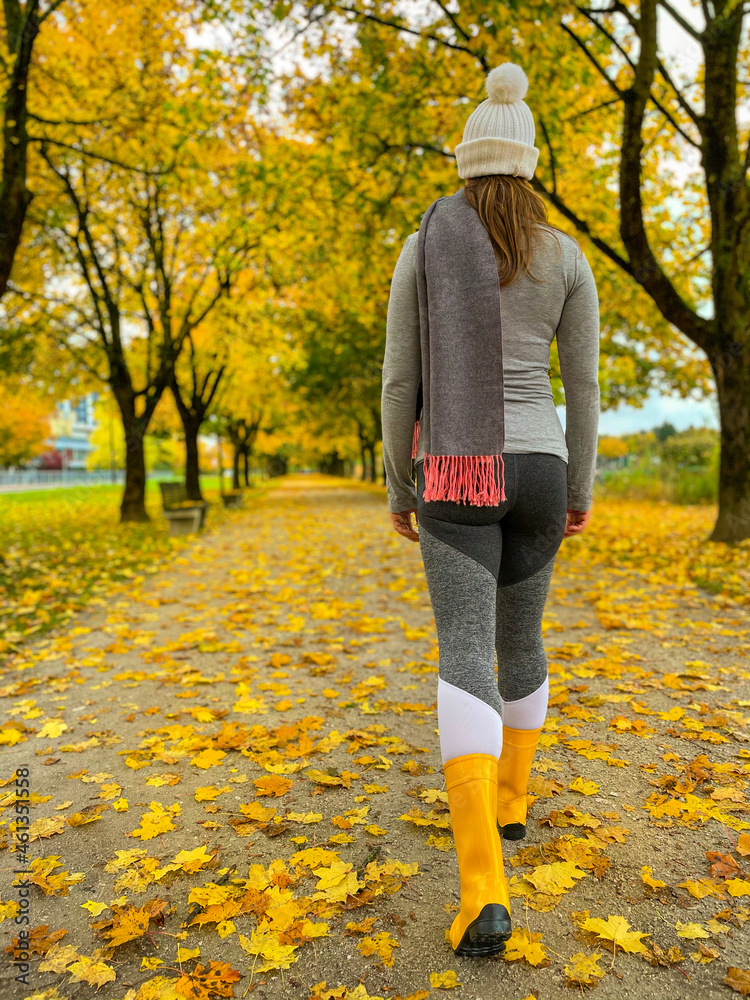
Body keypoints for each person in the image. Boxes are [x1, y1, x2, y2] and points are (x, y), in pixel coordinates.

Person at [380, 61, 600, 958]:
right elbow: (582, 388)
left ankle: (482, 892)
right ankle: (512, 801)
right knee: (523, 641)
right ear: (530, 164)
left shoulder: (424, 241)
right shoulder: (567, 256)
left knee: (465, 649)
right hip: (544, 468)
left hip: (459, 473)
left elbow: (402, 378)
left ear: (467, 162)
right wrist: (578, 486)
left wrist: (403, 481)